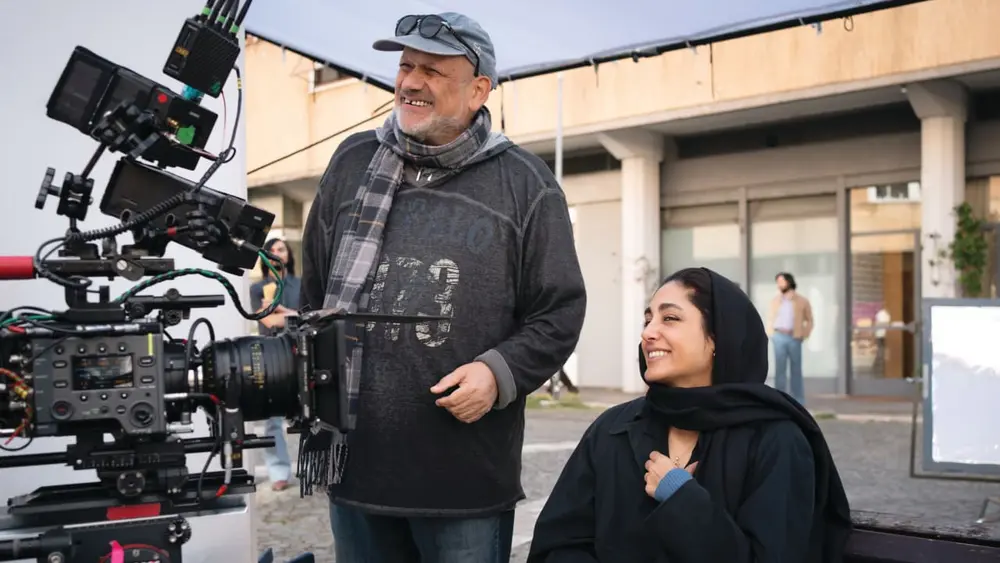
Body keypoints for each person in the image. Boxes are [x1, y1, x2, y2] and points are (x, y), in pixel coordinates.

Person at [297, 11, 586, 563]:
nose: (409, 81)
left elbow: (560, 312)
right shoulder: (351, 163)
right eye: (405, 66)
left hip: (464, 481)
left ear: (479, 90)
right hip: (356, 470)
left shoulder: (525, 183)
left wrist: (498, 373)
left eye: (432, 70)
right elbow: (314, 296)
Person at [528, 267, 851, 563]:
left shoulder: (776, 439)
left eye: (669, 318)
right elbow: (559, 543)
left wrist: (683, 500)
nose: (648, 333)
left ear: (716, 338)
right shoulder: (614, 428)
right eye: (648, 320)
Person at [248, 237, 301, 492]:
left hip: (301, 352)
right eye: (272, 250)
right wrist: (292, 315)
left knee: (314, 415)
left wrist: (281, 311)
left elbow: (311, 318)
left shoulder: (303, 285)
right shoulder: (258, 289)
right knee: (272, 419)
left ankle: (318, 469)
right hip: (270, 356)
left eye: (281, 249)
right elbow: (268, 323)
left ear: (289, 254)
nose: (278, 253)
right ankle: (279, 471)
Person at [767, 271, 814, 404]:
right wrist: (771, 333)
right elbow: (770, 317)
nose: (779, 284)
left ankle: (798, 400)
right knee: (780, 369)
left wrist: (803, 334)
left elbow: (809, 320)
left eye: (782, 281)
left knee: (796, 370)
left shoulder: (802, 301)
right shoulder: (775, 300)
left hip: (794, 337)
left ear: (789, 282)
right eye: (778, 282)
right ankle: (779, 400)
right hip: (778, 337)